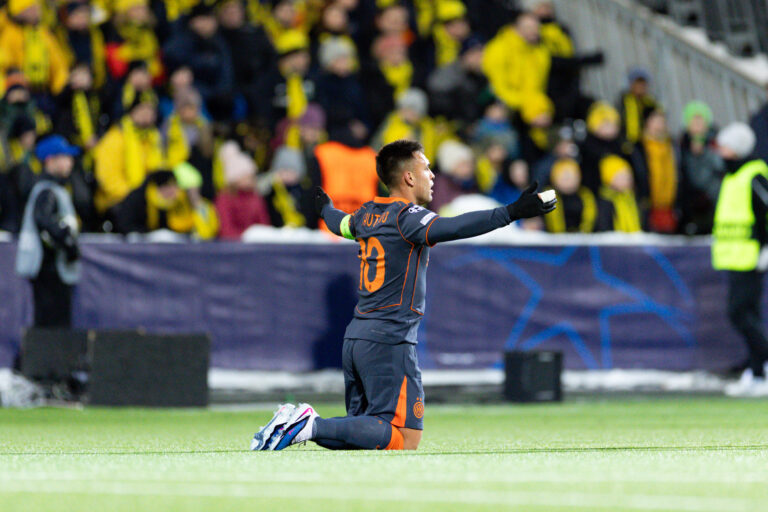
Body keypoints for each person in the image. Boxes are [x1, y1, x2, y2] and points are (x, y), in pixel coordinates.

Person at [251, 139, 556, 451]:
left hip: (356, 338)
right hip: (389, 340)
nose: (432, 175)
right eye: (426, 168)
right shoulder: (408, 217)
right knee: (404, 436)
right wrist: (512, 211)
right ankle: (306, 423)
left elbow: (338, 224)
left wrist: (326, 208)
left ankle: (301, 427)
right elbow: (453, 228)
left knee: (365, 434)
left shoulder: (366, 214)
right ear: (409, 177)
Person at [711, 123, 768, 397]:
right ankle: (758, 374)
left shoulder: (754, 174)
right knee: (750, 314)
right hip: (735, 256)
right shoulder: (733, 175)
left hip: (750, 257)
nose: (721, 149)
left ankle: (763, 362)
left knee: (739, 313)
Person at [15, 135, 81, 327]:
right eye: (65, 157)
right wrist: (67, 244)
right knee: (51, 324)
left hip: (51, 267)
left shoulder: (55, 189)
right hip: (49, 267)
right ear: (50, 161)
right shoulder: (46, 190)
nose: (70, 161)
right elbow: (43, 219)